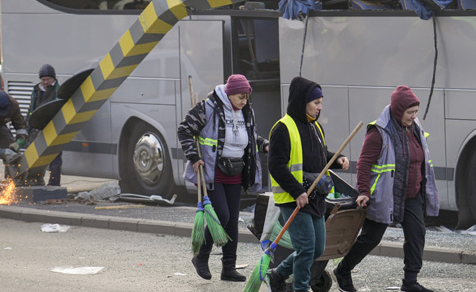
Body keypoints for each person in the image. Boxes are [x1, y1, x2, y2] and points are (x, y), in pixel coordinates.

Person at [333, 86, 439, 292]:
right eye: (410, 113)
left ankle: (410, 282)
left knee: (417, 234)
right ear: (398, 111)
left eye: (416, 112)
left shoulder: (414, 127)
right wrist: (363, 191)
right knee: (371, 239)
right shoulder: (379, 131)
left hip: (412, 195)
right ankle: (343, 270)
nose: (414, 116)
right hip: (385, 195)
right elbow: (363, 163)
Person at [178, 74, 267, 282]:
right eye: (240, 97)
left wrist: (264, 144)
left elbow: (251, 137)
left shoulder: (246, 111)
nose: (244, 101)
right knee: (222, 216)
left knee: (231, 223)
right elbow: (184, 130)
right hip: (212, 171)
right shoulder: (208, 108)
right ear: (229, 94)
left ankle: (228, 268)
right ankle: (201, 256)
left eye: (246, 97)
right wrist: (194, 156)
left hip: (235, 172)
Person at [266, 76, 349, 292]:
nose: (320, 107)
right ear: (303, 102)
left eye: (321, 102)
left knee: (317, 248)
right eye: (316, 103)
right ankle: (300, 288)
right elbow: (275, 166)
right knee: (306, 248)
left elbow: (320, 156)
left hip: (316, 196)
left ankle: (278, 275)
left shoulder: (316, 127)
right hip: (293, 199)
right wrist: (297, 192)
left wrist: (337, 160)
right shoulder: (283, 128)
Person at [27, 64, 62, 186]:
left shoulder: (58, 91)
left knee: (55, 160)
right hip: (37, 129)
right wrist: (28, 129)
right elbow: (31, 109)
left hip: (53, 129)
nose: (45, 82)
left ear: (53, 78)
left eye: (48, 79)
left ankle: (54, 184)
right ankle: (35, 182)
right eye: (43, 79)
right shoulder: (36, 90)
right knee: (34, 158)